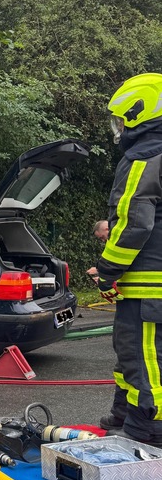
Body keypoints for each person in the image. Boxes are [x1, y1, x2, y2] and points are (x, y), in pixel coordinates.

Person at [96, 72, 162, 445]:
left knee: (144, 359)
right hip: (153, 284)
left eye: (119, 120)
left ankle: (148, 429)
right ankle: (124, 413)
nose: (117, 128)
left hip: (149, 287)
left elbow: (135, 223)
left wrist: (107, 269)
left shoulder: (144, 157)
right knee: (132, 352)